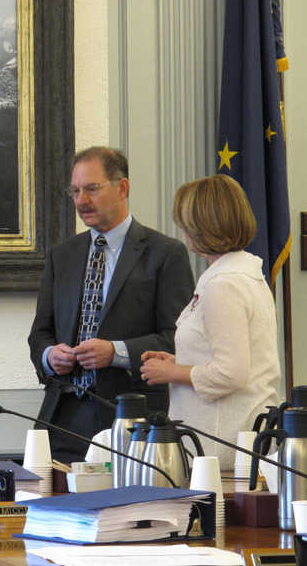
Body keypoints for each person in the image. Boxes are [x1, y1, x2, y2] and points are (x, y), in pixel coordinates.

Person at [28, 146, 194, 463]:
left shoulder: (164, 254)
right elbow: (40, 334)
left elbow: (176, 338)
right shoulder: (61, 256)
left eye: (91, 189)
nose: (81, 201)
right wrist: (50, 356)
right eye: (75, 191)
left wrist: (115, 352)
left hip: (132, 419)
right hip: (62, 417)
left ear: (122, 188)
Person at [140, 174, 279, 470]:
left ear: (201, 227)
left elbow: (231, 373)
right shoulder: (242, 274)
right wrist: (179, 361)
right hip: (232, 436)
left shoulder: (223, 285)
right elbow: (226, 353)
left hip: (221, 445)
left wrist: (172, 372)